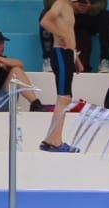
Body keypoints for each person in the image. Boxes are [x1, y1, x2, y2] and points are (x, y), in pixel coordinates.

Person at [38, 0, 81, 153]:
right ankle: (55, 141)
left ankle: (51, 139)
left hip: (68, 55)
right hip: (61, 54)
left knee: (65, 98)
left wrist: (76, 59)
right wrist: (59, 33)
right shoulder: (61, 3)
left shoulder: (69, 8)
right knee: (63, 98)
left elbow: (70, 34)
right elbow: (45, 21)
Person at [40, 0, 109, 73]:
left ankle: (104, 61)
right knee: (46, 15)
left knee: (107, 16)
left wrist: (89, 8)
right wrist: (69, 4)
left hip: (88, 16)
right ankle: (48, 59)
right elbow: (48, 2)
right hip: (64, 17)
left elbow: (102, 3)